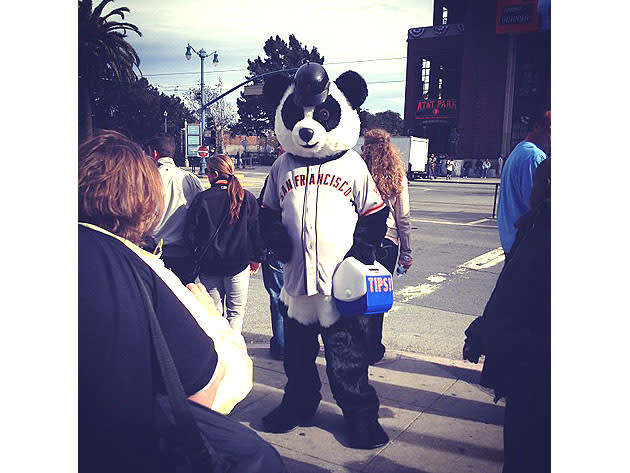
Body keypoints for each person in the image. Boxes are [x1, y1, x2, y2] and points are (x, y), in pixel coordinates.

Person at [79, 132, 284, 473]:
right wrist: (210, 321)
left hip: (209, 264)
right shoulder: (142, 273)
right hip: (234, 267)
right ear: (144, 201)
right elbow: (218, 388)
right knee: (233, 313)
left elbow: (197, 229)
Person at [463, 158, 551, 473]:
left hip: (532, 360)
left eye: (537, 183)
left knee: (525, 445)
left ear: (548, 186)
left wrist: (481, 332)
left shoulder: (543, 227)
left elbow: (512, 294)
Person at [185, 154, 264, 334]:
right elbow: (256, 231)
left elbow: (191, 234)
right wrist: (257, 257)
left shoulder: (202, 199)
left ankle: (218, 354)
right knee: (235, 314)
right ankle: (233, 352)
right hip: (238, 264)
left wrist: (195, 255)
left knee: (214, 314)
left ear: (213, 173)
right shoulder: (246, 197)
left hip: (209, 265)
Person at [361, 129, 413, 364]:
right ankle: (373, 347)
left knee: (357, 295)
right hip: (388, 243)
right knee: (377, 299)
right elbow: (403, 217)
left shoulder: (359, 171)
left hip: (360, 240)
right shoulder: (397, 174)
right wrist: (407, 252)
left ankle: (356, 344)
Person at [148, 134, 204, 283]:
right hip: (184, 251)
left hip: (153, 250)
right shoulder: (190, 179)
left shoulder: (146, 178)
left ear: (154, 153)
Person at [497, 108, 550, 254]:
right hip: (525, 246)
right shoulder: (534, 156)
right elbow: (537, 206)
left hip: (514, 243)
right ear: (537, 127)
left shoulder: (519, 151)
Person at [258, 176, 285, 360]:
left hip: (278, 246)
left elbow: (264, 211)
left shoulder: (278, 172)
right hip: (308, 247)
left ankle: (282, 346)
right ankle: (304, 345)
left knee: (278, 297)